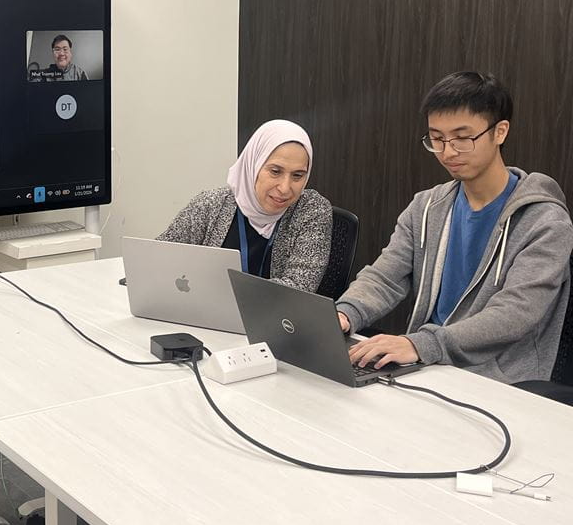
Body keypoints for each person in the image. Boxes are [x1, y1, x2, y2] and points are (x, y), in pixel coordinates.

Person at [337, 72, 573, 384]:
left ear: (500, 132)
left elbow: (515, 314)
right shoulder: (426, 208)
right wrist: (345, 314)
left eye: (463, 138)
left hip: (501, 379)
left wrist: (422, 344)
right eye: (437, 138)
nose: (448, 152)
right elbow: (385, 277)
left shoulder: (544, 220)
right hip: (426, 367)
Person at [158, 119, 332, 293]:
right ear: (253, 164)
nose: (285, 188)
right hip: (205, 315)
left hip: (274, 318)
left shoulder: (312, 210)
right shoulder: (211, 205)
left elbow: (300, 289)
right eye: (275, 171)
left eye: (297, 175)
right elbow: (158, 259)